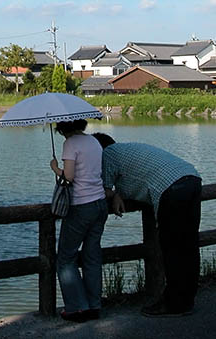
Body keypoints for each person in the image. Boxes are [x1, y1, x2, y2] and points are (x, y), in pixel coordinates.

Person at [92, 132, 202, 317]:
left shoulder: (108, 154)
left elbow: (103, 189)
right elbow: (127, 184)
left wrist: (113, 194)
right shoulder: (127, 150)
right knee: (189, 245)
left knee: (172, 248)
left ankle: (173, 303)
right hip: (191, 178)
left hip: (171, 188)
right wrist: (118, 194)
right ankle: (187, 300)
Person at [49, 120, 108, 323]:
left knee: (66, 258)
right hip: (100, 203)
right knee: (92, 257)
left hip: (81, 205)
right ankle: (94, 306)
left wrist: (56, 168)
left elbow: (70, 177)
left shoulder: (71, 143)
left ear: (64, 128)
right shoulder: (93, 141)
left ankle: (77, 308)